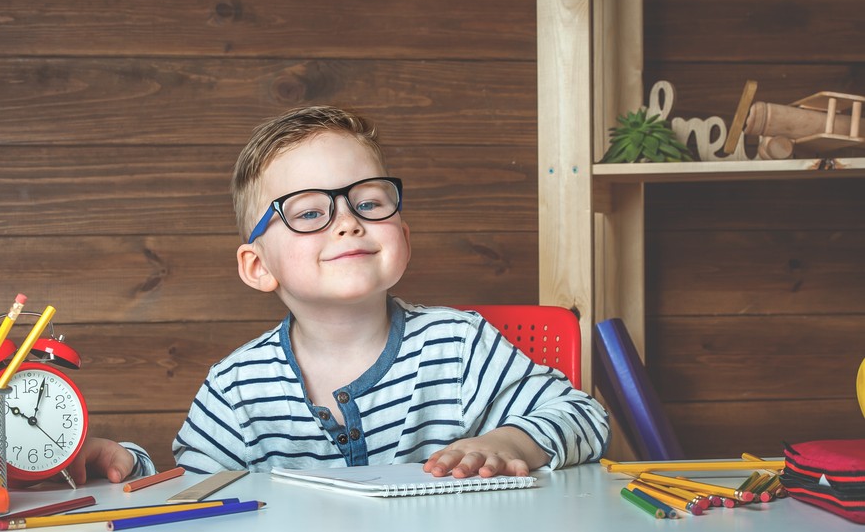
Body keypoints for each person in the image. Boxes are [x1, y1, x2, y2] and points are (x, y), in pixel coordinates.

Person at [68, 106, 608, 484]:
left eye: (369, 203)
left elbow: (586, 419)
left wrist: (511, 443)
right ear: (258, 267)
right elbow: (195, 493)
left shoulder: (459, 345)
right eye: (308, 212)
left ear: (404, 238)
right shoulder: (236, 387)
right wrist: (129, 468)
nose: (348, 223)